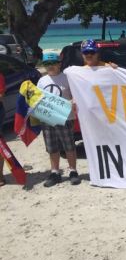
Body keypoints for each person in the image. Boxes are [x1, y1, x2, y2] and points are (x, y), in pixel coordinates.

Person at [37, 52, 80, 187]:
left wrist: (73, 102)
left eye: (53, 63)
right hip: (47, 119)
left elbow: (76, 95)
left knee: (69, 146)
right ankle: (55, 172)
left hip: (65, 118)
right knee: (52, 147)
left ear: (59, 64)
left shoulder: (67, 78)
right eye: (46, 64)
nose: (50, 66)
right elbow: (38, 99)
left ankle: (73, 171)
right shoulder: (42, 80)